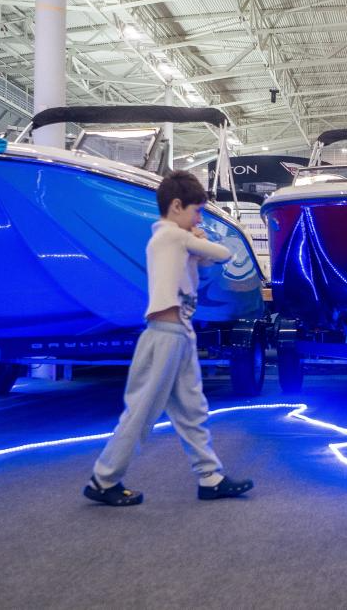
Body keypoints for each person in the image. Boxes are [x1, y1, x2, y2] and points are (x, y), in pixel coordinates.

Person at [84, 171, 254, 506]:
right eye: (196, 211)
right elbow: (223, 253)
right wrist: (198, 238)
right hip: (165, 336)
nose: (199, 219)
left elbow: (205, 260)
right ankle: (103, 480)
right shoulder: (172, 236)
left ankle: (210, 477)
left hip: (179, 334)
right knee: (142, 411)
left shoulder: (172, 240)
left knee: (192, 409)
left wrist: (197, 244)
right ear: (176, 206)